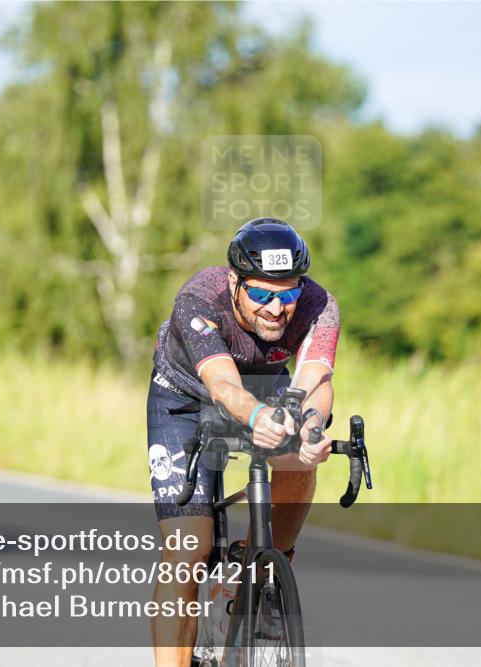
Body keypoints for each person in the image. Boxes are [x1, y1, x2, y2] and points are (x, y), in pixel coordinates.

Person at [148, 218, 340, 666]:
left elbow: (316, 377)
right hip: (185, 400)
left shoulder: (319, 304)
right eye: (261, 294)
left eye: (288, 292)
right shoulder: (198, 298)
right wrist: (256, 416)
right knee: (188, 551)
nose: (276, 308)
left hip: (268, 387)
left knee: (298, 462)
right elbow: (223, 385)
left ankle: (266, 575)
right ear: (235, 282)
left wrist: (310, 425)